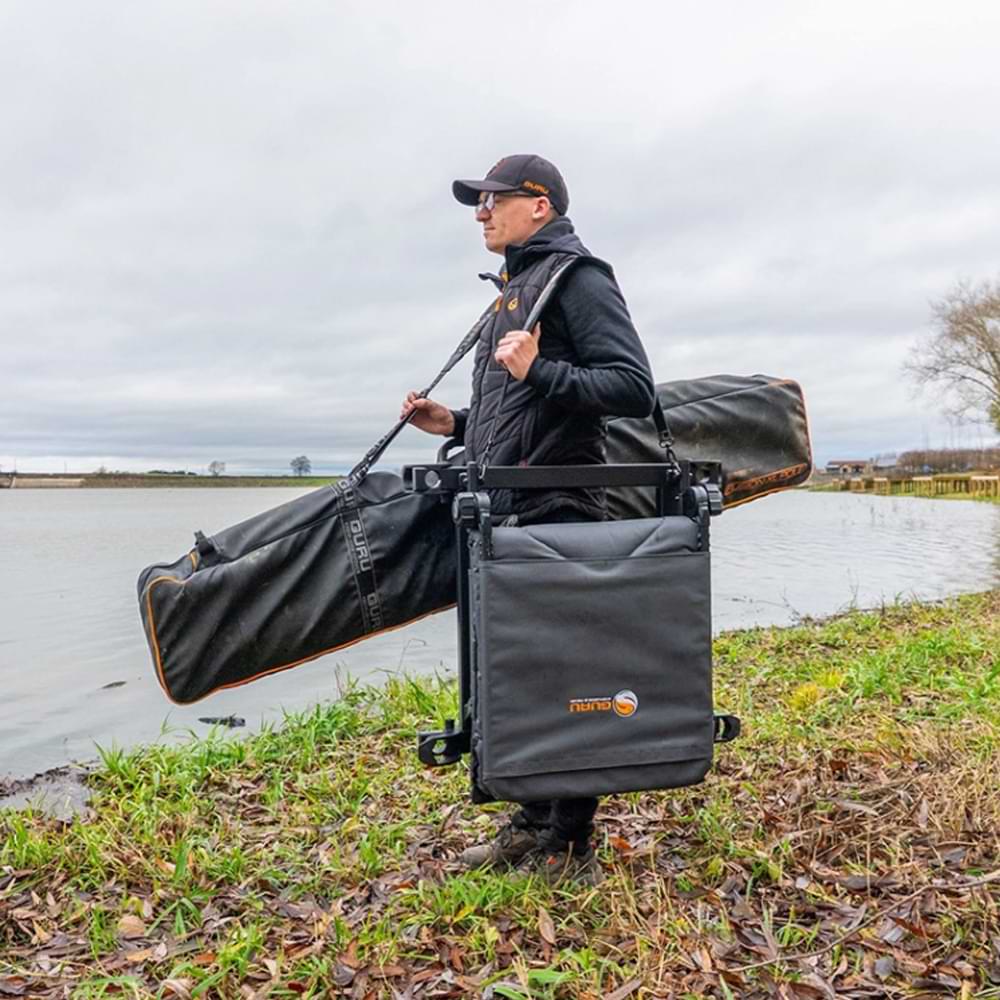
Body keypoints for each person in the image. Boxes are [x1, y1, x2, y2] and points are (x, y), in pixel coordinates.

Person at [401, 154, 656, 884]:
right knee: (521, 676)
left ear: (538, 205)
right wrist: (451, 419)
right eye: (477, 203)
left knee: (567, 676)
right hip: (508, 510)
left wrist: (537, 369)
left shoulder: (579, 279)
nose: (481, 213)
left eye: (493, 200)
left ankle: (570, 841)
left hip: (561, 507)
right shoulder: (516, 292)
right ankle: (533, 823)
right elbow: (516, 412)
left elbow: (632, 388)